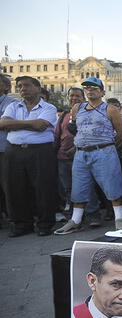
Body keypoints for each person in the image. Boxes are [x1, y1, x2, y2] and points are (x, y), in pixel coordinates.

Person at [54, 77, 122, 234]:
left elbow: (121, 133)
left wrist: (106, 145)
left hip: (104, 152)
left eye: (94, 88)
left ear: (102, 91)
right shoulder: (77, 108)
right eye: (87, 88)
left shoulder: (110, 109)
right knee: (79, 187)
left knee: (112, 185)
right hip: (81, 153)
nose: (90, 91)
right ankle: (75, 220)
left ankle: (119, 219)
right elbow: (75, 128)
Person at [0, 76, 58, 237]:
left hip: (40, 151)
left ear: (38, 88)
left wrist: (15, 125)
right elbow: (2, 124)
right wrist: (30, 124)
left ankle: (44, 224)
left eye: (26, 85)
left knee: (43, 188)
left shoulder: (48, 108)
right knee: (14, 188)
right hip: (14, 151)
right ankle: (21, 224)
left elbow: (40, 126)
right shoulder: (13, 106)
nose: (22, 89)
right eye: (19, 86)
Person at [0, 74, 19, 223]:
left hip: (4, 150)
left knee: (8, 186)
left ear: (6, 87)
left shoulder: (11, 103)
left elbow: (6, 123)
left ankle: (14, 218)